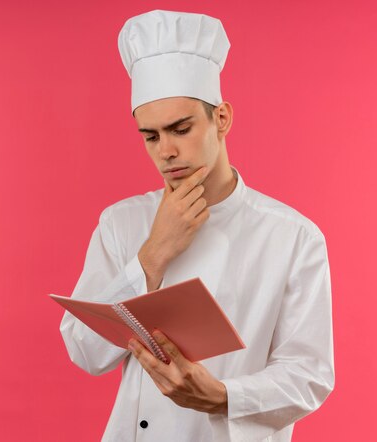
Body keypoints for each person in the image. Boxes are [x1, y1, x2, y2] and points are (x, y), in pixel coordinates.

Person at [59, 9, 334, 442]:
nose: (166, 151)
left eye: (180, 128)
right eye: (150, 136)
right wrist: (152, 256)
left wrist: (224, 397)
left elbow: (309, 373)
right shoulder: (122, 222)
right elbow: (84, 351)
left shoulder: (292, 236)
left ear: (221, 119)